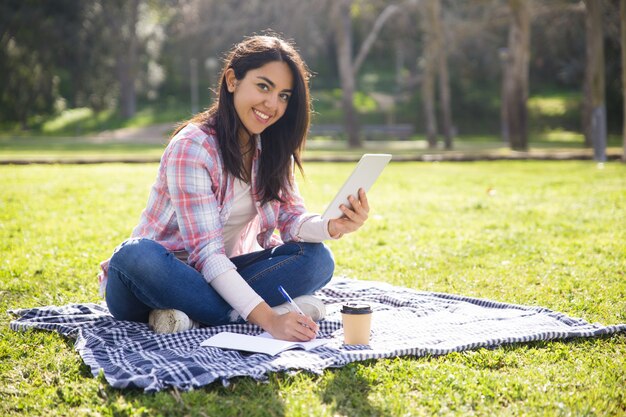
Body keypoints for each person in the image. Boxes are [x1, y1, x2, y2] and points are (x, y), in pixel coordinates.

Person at [98, 34, 370, 342]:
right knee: (135, 256)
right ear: (231, 81)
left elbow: (292, 219)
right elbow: (207, 254)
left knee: (318, 260)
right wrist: (270, 320)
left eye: (283, 95)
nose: (272, 104)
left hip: (219, 276)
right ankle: (234, 313)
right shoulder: (193, 146)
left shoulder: (271, 149)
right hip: (155, 278)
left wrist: (331, 225)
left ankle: (196, 317)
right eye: (263, 87)